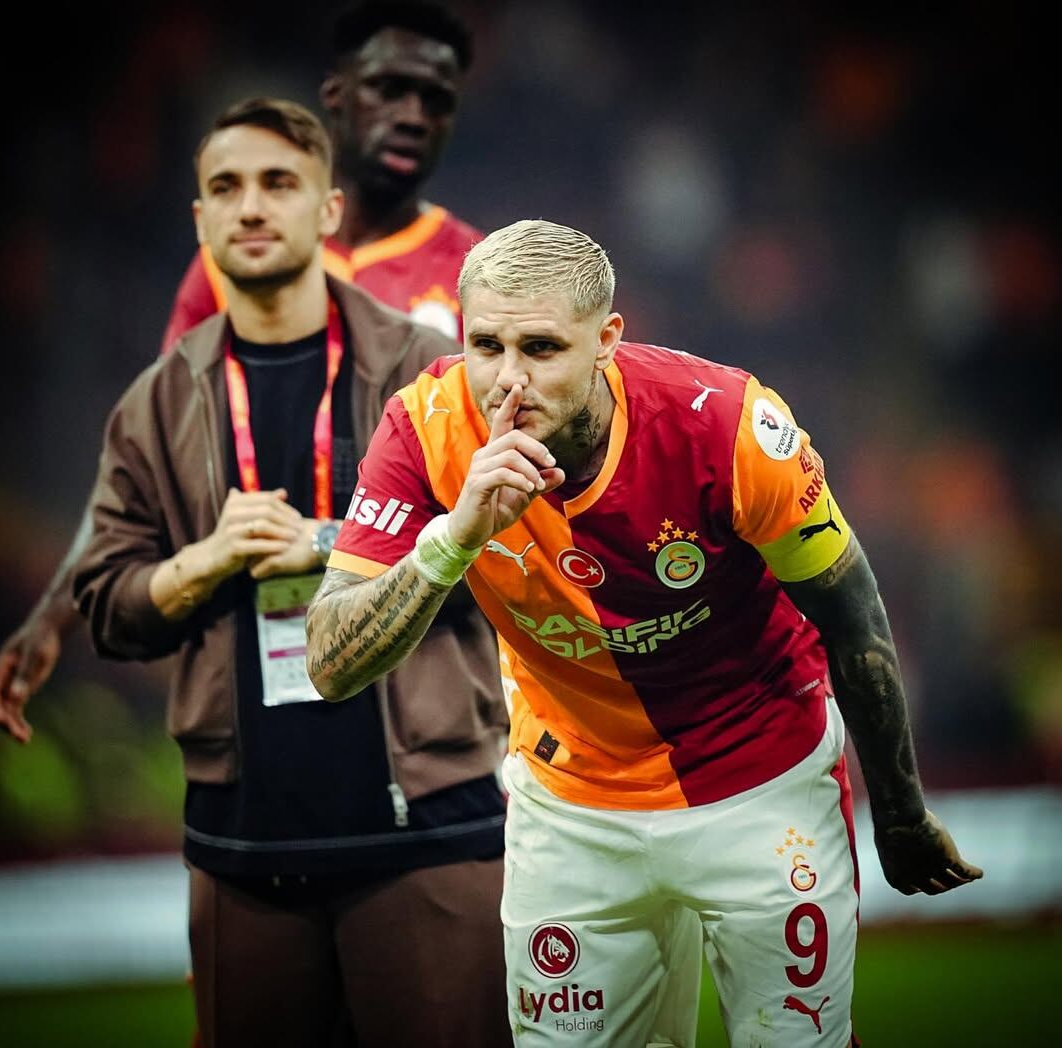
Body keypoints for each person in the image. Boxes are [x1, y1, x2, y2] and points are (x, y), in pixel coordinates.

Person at [305, 219, 984, 1048]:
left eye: (542, 348)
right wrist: (455, 538)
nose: (508, 380)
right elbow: (329, 662)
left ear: (606, 341)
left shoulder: (727, 424)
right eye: (486, 346)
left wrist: (901, 814)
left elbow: (853, 616)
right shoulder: (424, 428)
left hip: (759, 783)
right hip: (572, 807)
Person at [73, 98, 510, 1048]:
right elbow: (105, 602)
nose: (251, 206)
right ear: (201, 221)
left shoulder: (430, 370)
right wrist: (202, 562)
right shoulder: (157, 403)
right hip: (245, 850)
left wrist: (326, 543)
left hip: (428, 833)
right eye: (226, 188)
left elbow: (517, 557)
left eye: (279, 183)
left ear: (329, 210)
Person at [0, 0, 481, 740]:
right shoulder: (237, 262)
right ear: (336, 97)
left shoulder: (477, 274)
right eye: (389, 90)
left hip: (419, 656)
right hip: (255, 651)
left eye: (435, 100)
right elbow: (147, 459)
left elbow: (498, 508)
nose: (412, 115)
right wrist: (57, 612)